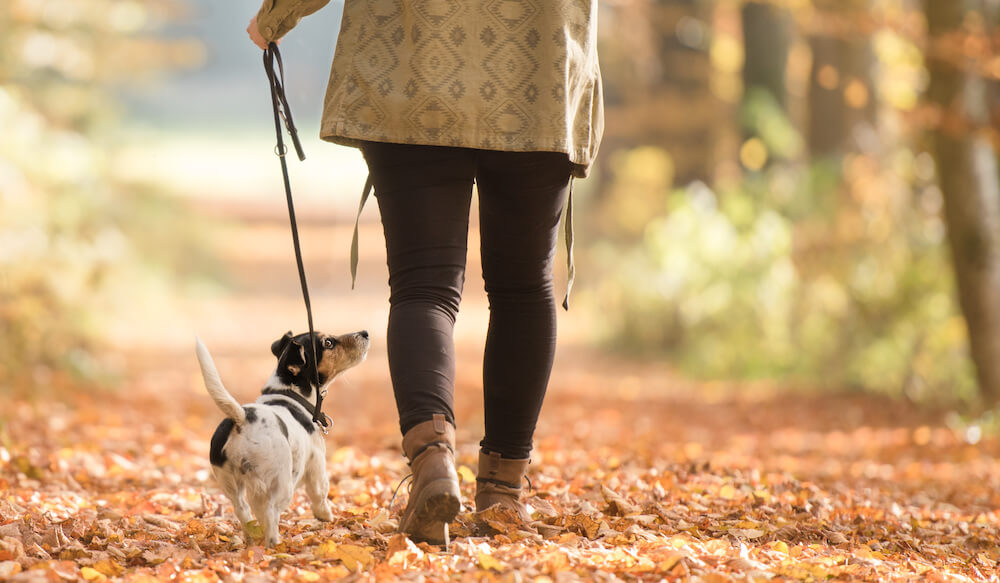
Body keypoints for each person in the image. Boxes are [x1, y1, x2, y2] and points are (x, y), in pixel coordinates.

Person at [248, 0, 603, 545]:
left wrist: (276, 17)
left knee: (424, 286)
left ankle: (433, 461)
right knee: (524, 287)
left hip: (413, 67)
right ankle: (503, 493)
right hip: (540, 66)